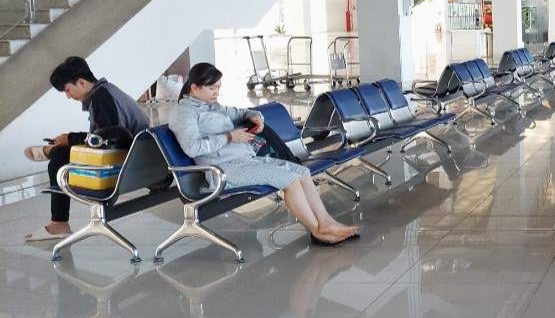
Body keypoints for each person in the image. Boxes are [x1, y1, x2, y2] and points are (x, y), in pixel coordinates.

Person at [170, 63, 358, 245]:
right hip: (224, 170)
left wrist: (255, 117)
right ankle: (317, 231)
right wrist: (229, 137)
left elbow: (241, 113)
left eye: (218, 87)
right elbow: (192, 148)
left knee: (302, 172)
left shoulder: (213, 106)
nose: (216, 93)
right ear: (194, 88)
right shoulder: (184, 113)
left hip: (244, 161)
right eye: (211, 88)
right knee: (290, 181)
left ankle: (326, 223)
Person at [23, 57, 152, 243]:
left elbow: (108, 140)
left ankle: (58, 223)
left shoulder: (102, 97)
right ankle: (52, 151)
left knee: (58, 162)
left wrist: (70, 139)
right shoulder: (106, 92)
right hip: (139, 161)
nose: (68, 96)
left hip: (124, 166)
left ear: (81, 82)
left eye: (67, 90)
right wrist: (71, 140)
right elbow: (107, 135)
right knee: (62, 154)